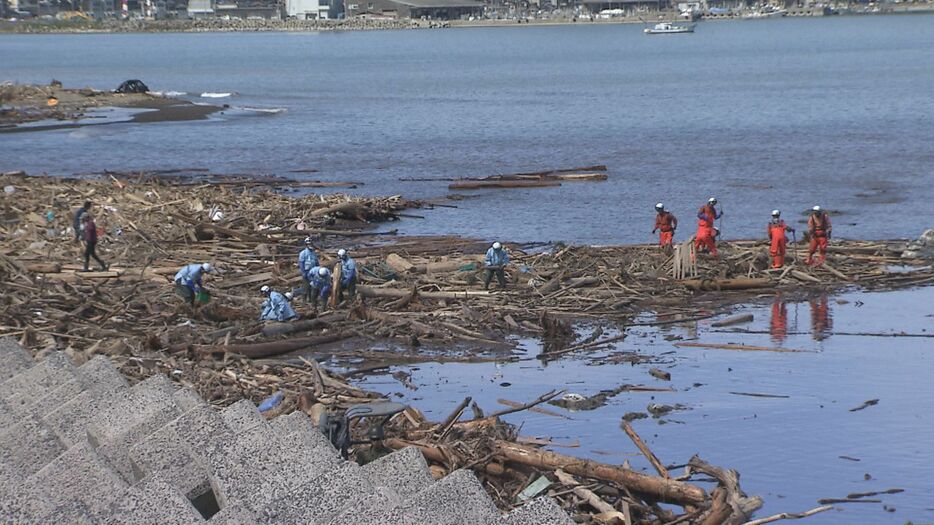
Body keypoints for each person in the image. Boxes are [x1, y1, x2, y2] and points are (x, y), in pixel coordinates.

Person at [298, 237, 319, 302]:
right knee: (305, 286)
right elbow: (301, 263)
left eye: (310, 244)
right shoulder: (303, 253)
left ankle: (311, 299)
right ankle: (304, 300)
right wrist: (303, 272)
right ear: (306, 245)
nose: (310, 245)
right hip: (306, 271)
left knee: (312, 286)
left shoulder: (313, 253)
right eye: (308, 244)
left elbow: (316, 262)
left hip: (313, 272)